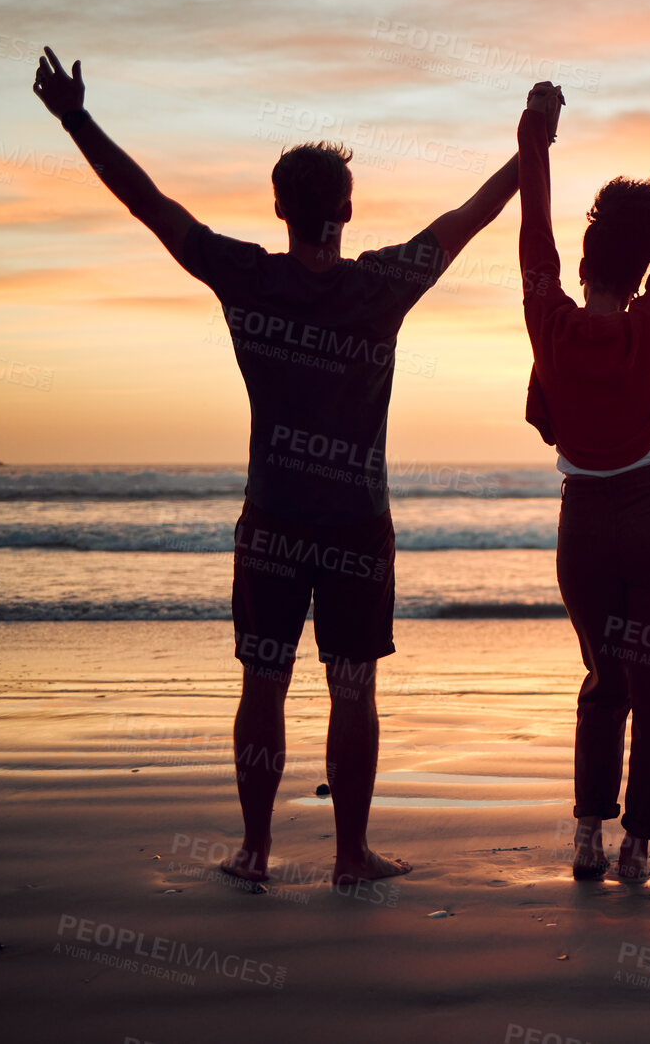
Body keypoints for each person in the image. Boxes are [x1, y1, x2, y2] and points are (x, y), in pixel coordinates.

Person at [32, 46, 531, 887]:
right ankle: (348, 856)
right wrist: (533, 147)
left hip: (272, 515)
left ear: (277, 209)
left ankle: (256, 851)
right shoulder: (382, 283)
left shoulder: (247, 276)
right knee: (351, 686)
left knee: (263, 680)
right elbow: (473, 212)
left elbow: (150, 205)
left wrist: (76, 118)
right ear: (347, 207)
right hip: (356, 521)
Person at [518, 82, 650, 882]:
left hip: (585, 522)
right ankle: (638, 844)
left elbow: (533, 223)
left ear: (581, 266)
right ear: (640, 268)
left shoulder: (549, 317)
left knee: (604, 677)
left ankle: (586, 834)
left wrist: (537, 130)